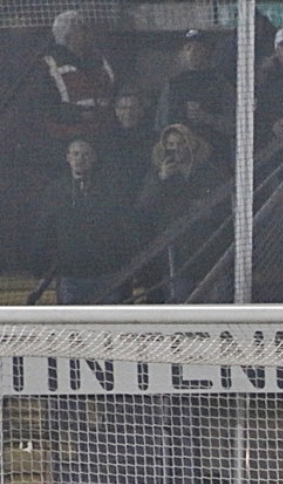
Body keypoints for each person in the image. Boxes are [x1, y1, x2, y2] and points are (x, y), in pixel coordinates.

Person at [28, 137, 134, 304]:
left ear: (94, 158)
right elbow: (45, 229)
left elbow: (124, 227)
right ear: (68, 158)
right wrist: (40, 266)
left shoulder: (110, 189)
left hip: (106, 272)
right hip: (71, 274)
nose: (80, 159)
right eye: (75, 154)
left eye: (85, 154)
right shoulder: (55, 191)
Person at [136, 123, 229, 303]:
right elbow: (144, 206)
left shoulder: (210, 170)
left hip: (210, 247)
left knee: (218, 303)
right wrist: (161, 179)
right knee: (181, 300)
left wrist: (208, 208)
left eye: (181, 143)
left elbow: (226, 203)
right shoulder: (156, 175)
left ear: (192, 144)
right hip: (176, 253)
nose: (176, 148)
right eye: (171, 144)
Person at [39, 10, 116, 168]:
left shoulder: (98, 60)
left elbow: (113, 90)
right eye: (83, 29)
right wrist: (79, 114)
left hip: (104, 135)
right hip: (69, 140)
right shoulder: (49, 64)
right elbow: (45, 107)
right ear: (68, 36)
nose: (89, 33)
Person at [154, 29, 235, 162]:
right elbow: (161, 125)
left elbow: (233, 125)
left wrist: (208, 118)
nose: (193, 53)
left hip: (215, 157)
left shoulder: (220, 83)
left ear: (207, 51)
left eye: (198, 48)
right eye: (188, 48)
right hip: (179, 159)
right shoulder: (173, 85)